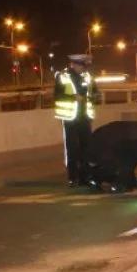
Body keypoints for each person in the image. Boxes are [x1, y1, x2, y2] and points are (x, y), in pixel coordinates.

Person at [54, 54, 99, 185]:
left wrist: (94, 96)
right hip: (70, 118)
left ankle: (86, 176)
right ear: (72, 64)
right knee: (72, 149)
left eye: (84, 66)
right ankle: (72, 177)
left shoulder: (88, 76)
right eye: (80, 65)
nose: (83, 68)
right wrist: (73, 97)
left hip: (85, 117)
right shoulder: (62, 77)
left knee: (87, 148)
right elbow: (57, 96)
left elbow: (94, 91)